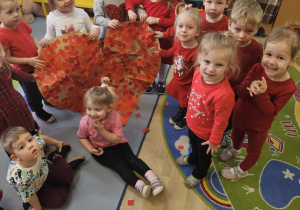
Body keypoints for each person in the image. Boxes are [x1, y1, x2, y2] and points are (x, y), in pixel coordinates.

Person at [219, 26, 299, 180]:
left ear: (292, 61)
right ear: (263, 51)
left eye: (280, 58)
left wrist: (262, 94)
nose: (272, 62)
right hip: (240, 114)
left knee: (254, 150)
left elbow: (270, 111)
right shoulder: (257, 68)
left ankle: (241, 171)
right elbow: (240, 93)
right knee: (236, 134)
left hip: (258, 126)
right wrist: (249, 86)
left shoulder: (289, 87)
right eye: (268, 54)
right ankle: (235, 149)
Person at [77, 77, 164, 198]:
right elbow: (82, 137)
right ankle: (140, 185)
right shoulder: (85, 122)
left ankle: (154, 179)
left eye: (97, 109)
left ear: (109, 108)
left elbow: (117, 139)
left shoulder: (115, 117)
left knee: (133, 160)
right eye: (89, 109)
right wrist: (90, 149)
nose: (92, 113)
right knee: (120, 166)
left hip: (117, 143)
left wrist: (101, 130)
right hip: (101, 149)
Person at [176, 32, 238, 187]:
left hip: (208, 136)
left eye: (219, 65)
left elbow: (221, 121)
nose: (210, 69)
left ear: (228, 67)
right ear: (199, 59)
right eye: (207, 61)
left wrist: (214, 141)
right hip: (192, 123)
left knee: (204, 157)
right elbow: (193, 93)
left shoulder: (224, 94)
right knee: (193, 145)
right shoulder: (198, 72)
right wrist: (188, 115)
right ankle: (192, 158)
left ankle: (199, 172)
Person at [1, 126, 85, 210]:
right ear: (16, 158)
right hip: (34, 188)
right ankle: (65, 166)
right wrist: (37, 207)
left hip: (45, 168)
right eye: (22, 147)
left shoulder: (35, 143)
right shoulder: (21, 179)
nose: (30, 145)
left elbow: (43, 138)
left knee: (69, 176)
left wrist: (57, 143)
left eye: (29, 140)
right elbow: (30, 195)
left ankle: (56, 157)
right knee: (59, 200)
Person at [0, 0, 55, 123]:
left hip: (37, 62)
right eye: (9, 12)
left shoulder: (20, 23)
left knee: (43, 85)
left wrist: (39, 48)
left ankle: (47, 100)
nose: (16, 14)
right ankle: (39, 110)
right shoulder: (2, 35)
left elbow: (32, 37)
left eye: (17, 10)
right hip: (24, 71)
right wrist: (28, 61)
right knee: (32, 93)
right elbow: (7, 58)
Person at [221, 0, 264, 148]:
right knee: (217, 111)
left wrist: (253, 84)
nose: (242, 35)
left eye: (249, 31)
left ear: (257, 29)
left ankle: (225, 131)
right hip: (220, 86)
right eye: (237, 29)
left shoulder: (258, 50)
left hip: (239, 92)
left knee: (231, 116)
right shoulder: (223, 42)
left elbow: (259, 72)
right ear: (229, 25)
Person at [158, 4, 201, 130]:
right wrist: (162, 53)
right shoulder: (178, 41)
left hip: (188, 84)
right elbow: (173, 50)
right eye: (180, 26)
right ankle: (183, 111)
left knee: (186, 102)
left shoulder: (196, 52)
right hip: (178, 78)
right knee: (181, 101)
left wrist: (191, 89)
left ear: (197, 31)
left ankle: (186, 117)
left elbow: (198, 74)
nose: (183, 30)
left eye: (189, 27)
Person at [126, 0, 180, 94]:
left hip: (164, 37)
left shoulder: (172, 3)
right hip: (148, 38)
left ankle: (161, 81)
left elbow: (174, 21)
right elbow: (130, 1)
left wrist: (157, 20)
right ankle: (149, 80)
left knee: (163, 60)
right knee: (148, 60)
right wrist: (130, 10)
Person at [0, 42, 42, 139]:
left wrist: (31, 77)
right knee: (13, 136)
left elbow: (15, 73)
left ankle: (40, 146)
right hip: (3, 114)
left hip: (17, 102)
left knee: (29, 123)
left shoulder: (3, 63)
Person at [155, 0, 230, 39]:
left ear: (227, 3)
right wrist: (164, 34)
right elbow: (181, 27)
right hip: (193, 53)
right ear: (204, 1)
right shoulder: (196, 16)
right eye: (209, 2)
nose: (213, 7)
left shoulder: (228, 24)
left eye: (219, 3)